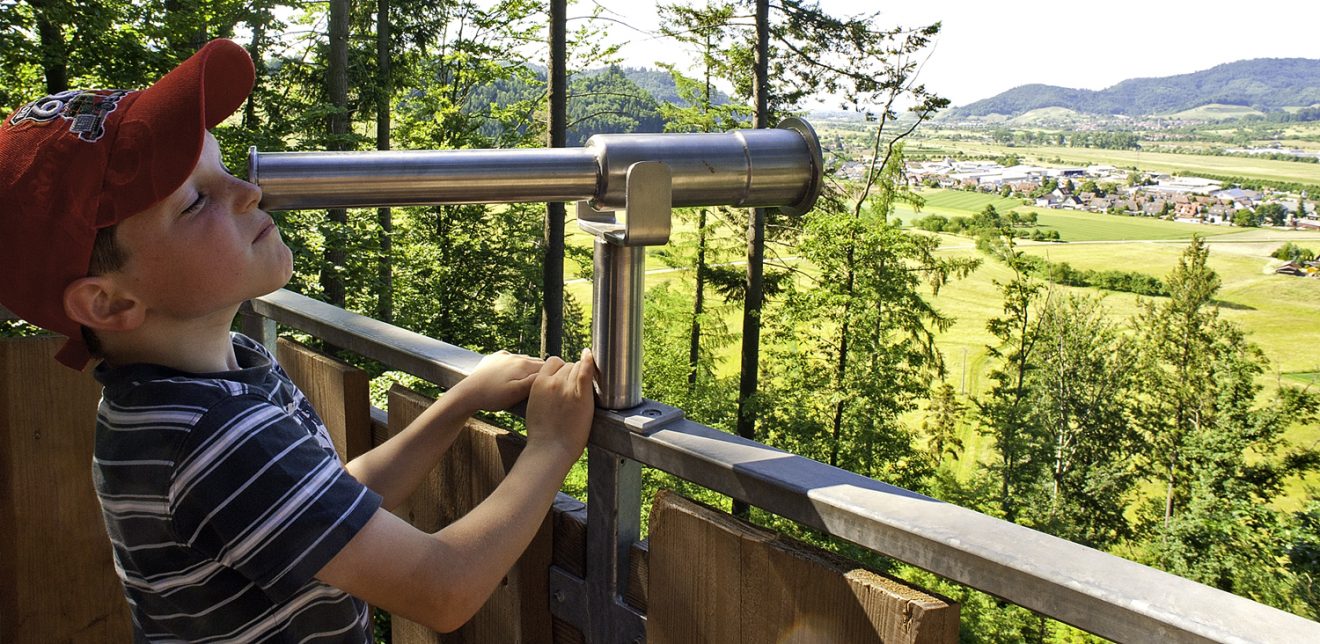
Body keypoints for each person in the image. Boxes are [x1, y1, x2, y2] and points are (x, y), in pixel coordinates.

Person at [0, 38, 597, 641]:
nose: (247, 192)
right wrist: (552, 445)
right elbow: (443, 589)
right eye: (195, 201)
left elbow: (329, 506)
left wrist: (460, 401)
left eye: (223, 168)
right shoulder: (210, 434)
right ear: (109, 303)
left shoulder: (212, 382)